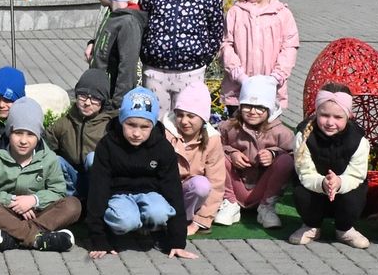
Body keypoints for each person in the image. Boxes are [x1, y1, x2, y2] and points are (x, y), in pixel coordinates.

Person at [84, 87, 195, 260]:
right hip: (118, 194)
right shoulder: (107, 145)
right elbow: (98, 190)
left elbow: (173, 190)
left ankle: (152, 230)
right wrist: (99, 239)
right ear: (121, 120)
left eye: (144, 127)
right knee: (126, 220)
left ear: (153, 125)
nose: (136, 133)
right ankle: (118, 229)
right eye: (131, 125)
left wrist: (177, 242)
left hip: (150, 193)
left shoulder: (163, 147)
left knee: (159, 212)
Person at [138, 0, 225, 117]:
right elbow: (141, 24)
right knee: (157, 122)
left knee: (185, 124)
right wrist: (147, 52)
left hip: (191, 73)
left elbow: (216, 29)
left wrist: (202, 56)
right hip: (155, 72)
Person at [0, 99, 80, 253]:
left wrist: (34, 200)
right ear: (9, 133)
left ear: (38, 136)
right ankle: (38, 239)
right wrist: (12, 201)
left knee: (73, 204)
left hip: (39, 215)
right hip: (6, 214)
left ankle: (13, 238)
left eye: (30, 134)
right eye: (18, 133)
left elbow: (58, 191)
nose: (23, 140)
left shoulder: (49, 158)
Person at [220, 0, 298, 115]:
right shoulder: (235, 12)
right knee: (237, 129)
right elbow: (226, 45)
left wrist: (276, 77)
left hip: (270, 90)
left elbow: (289, 47)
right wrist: (237, 74)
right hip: (238, 90)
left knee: (266, 129)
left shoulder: (282, 14)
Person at [291, 85, 371, 248]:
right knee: (302, 192)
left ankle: (344, 229)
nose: (330, 122)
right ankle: (311, 225)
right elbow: (304, 172)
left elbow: (357, 174)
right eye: (324, 115)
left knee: (355, 194)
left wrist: (339, 182)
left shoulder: (359, 140)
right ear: (316, 112)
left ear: (349, 116)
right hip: (315, 187)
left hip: (344, 188)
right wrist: (322, 183)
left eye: (338, 117)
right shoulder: (303, 136)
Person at [216, 75, 294, 229]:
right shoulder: (228, 127)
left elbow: (293, 156)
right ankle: (230, 203)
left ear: (269, 108)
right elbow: (213, 147)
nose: (253, 112)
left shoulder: (282, 132)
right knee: (217, 156)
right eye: (247, 106)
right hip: (236, 185)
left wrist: (273, 154)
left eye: (260, 107)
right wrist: (231, 153)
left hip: (262, 188)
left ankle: (266, 207)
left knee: (286, 161)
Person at [163, 83, 226, 235]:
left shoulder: (212, 140)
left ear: (203, 118)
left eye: (191, 116)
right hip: (164, 190)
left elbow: (216, 182)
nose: (184, 121)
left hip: (188, 194)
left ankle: (185, 219)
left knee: (201, 185)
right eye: (180, 115)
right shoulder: (164, 133)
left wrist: (201, 220)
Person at [45, 69, 115, 198]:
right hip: (74, 178)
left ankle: (97, 200)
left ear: (103, 101)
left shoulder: (110, 125)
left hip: (100, 182)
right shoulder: (65, 123)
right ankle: (73, 200)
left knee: (93, 158)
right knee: (55, 160)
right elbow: (45, 144)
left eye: (95, 98)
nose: (87, 103)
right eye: (83, 96)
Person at [86, 0, 144, 100]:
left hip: (111, 97)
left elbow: (127, 67)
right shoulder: (112, 14)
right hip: (100, 90)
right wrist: (93, 44)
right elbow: (108, 40)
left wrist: (117, 103)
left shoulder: (127, 22)